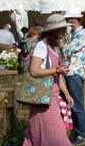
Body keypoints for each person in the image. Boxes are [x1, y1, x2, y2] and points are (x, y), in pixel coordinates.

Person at [22, 14, 73, 146]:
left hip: (52, 98)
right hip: (42, 98)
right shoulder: (41, 46)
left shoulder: (55, 48)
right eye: (61, 29)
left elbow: (59, 75)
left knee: (41, 136)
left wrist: (66, 94)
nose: (63, 31)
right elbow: (34, 70)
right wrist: (56, 70)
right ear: (52, 30)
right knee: (57, 137)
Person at [63, 7, 85, 145]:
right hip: (69, 72)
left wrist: (62, 47)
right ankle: (76, 131)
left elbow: (67, 50)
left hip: (75, 72)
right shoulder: (72, 34)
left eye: (69, 19)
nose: (67, 21)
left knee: (77, 104)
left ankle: (82, 134)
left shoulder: (81, 34)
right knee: (71, 104)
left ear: (75, 19)